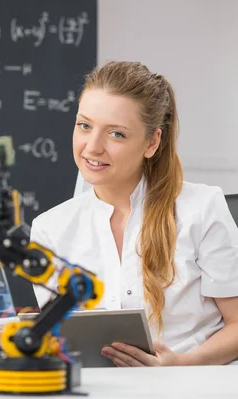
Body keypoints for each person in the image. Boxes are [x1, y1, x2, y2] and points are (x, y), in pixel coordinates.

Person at [31, 61, 238, 366]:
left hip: (192, 386)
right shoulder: (51, 228)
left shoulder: (201, 208)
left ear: (152, 142)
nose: (93, 147)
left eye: (116, 134)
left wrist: (181, 364)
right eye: (84, 125)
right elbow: (63, 338)